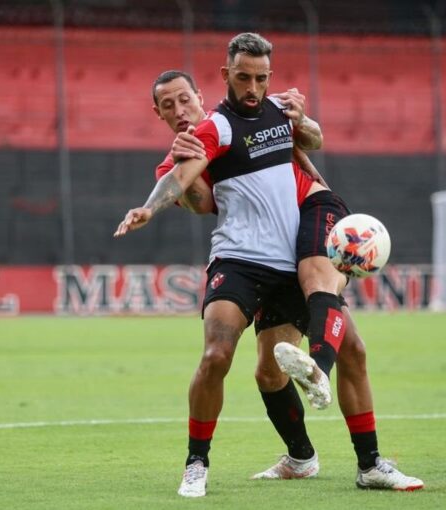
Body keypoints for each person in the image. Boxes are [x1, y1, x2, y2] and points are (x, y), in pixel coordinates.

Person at [117, 33, 422, 496]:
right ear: (158, 114)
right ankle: (205, 463)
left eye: (185, 99)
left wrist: (304, 120)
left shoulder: (267, 110)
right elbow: (195, 197)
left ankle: (362, 455)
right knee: (230, 359)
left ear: (201, 94)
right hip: (241, 259)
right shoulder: (204, 138)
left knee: (346, 348)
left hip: (301, 237)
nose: (180, 109)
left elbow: (311, 138)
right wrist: (150, 206)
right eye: (168, 105)